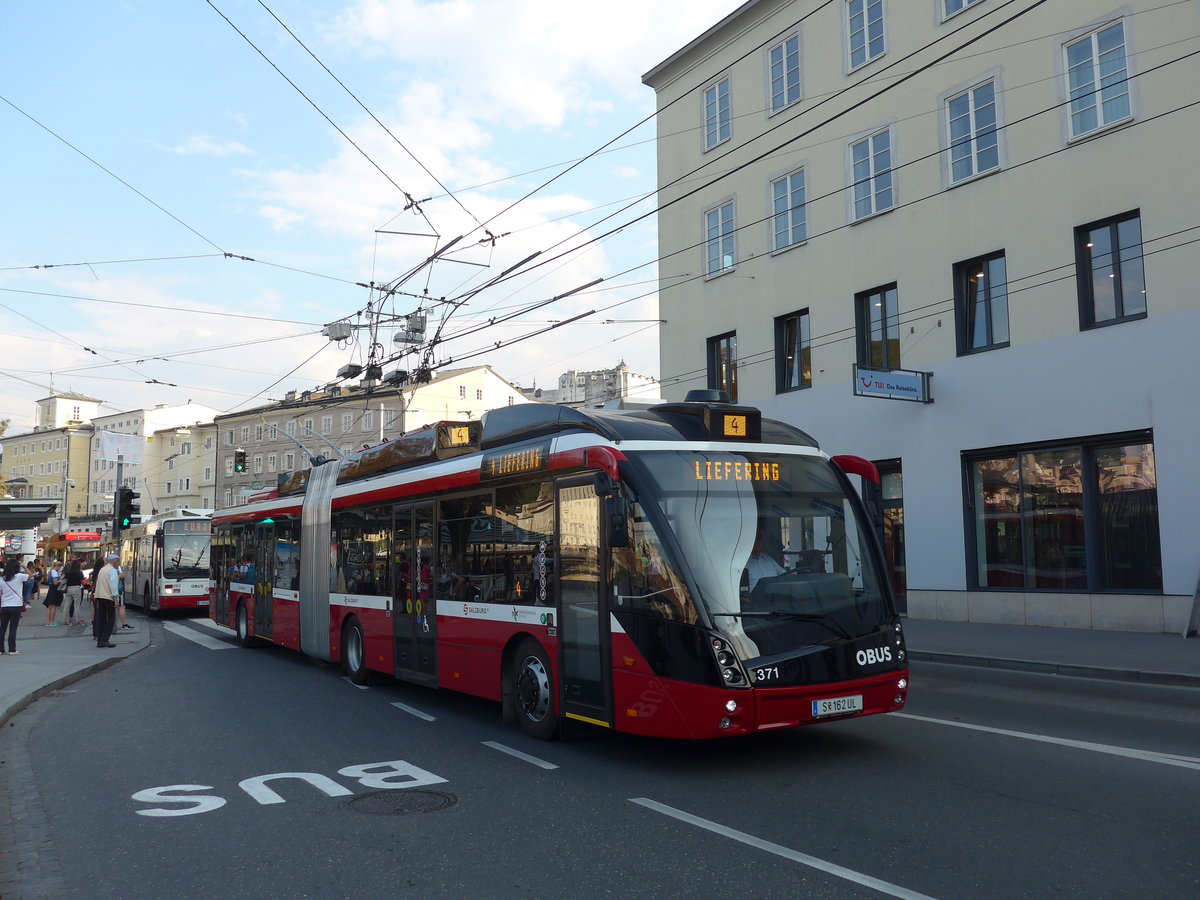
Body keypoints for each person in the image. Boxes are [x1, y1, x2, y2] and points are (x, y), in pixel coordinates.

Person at [744, 524, 785, 593]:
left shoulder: (767, 558)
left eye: (760, 538)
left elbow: (784, 574)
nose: (758, 541)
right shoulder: (742, 561)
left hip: (776, 598)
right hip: (754, 601)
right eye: (755, 538)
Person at [2, 558, 30, 655]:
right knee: (13, 628)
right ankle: (12, 649)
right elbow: (30, 575)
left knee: (2, 627)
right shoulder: (19, 576)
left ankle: (1, 649)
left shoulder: (2, 579)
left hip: (4, 605)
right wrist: (24, 566)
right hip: (16, 605)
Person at [93, 552, 121, 648]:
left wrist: (96, 596)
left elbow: (98, 583)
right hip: (108, 598)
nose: (117, 563)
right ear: (114, 561)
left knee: (102, 619)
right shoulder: (112, 571)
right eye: (117, 561)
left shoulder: (102, 570)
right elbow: (113, 586)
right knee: (111, 619)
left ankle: (100, 640)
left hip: (100, 596)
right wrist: (115, 599)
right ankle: (105, 640)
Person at [63, 558, 88, 626]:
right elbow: (83, 583)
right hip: (76, 588)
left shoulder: (68, 572)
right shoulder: (79, 573)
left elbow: (63, 578)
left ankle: (65, 620)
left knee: (67, 605)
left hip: (68, 589)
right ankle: (77, 619)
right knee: (76, 605)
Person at [44, 558, 64, 626]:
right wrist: (61, 579)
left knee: (50, 606)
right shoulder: (55, 572)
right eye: (60, 567)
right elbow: (55, 583)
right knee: (53, 606)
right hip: (55, 589)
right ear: (57, 566)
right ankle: (52, 621)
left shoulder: (51, 571)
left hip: (51, 589)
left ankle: (49, 621)